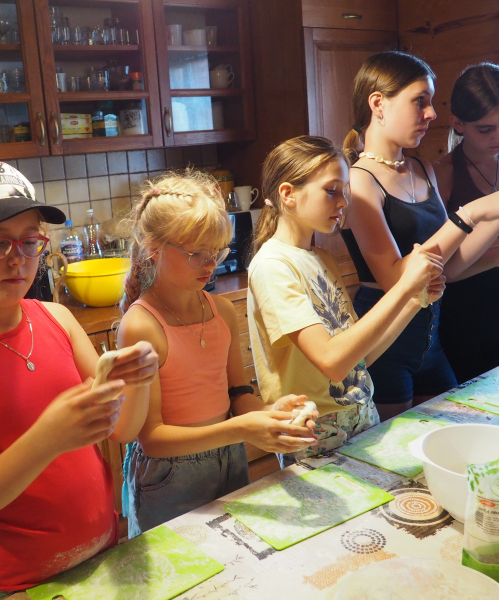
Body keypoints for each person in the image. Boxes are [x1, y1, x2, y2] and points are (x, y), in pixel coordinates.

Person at [0, 161, 159, 599]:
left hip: (101, 552)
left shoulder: (57, 319)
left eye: (29, 241)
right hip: (12, 583)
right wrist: (48, 437)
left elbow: (122, 430)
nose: (17, 257)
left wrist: (137, 381)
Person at [117, 171, 318, 538]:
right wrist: (240, 429)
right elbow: (153, 438)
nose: (211, 265)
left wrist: (269, 413)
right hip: (170, 476)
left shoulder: (222, 311)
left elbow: (236, 394)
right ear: (153, 248)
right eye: (197, 254)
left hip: (229, 456)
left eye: (217, 252)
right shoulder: (141, 325)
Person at [248, 135, 444, 468]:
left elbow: (358, 360)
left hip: (362, 421)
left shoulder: (322, 258)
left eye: (345, 191)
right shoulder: (272, 267)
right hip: (314, 437)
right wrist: (403, 286)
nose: (343, 202)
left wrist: (414, 299)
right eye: (331, 190)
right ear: (288, 194)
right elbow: (332, 362)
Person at [342, 50, 499, 420]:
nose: (431, 113)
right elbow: (398, 280)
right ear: (378, 104)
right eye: (420, 101)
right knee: (393, 451)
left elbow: (451, 267)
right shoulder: (360, 181)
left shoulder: (421, 168)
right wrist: (471, 214)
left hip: (431, 343)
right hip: (385, 346)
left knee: (455, 430)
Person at [433, 63, 499, 384]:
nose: (497, 137)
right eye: (485, 129)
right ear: (457, 124)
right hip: (468, 315)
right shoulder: (442, 174)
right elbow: (442, 268)